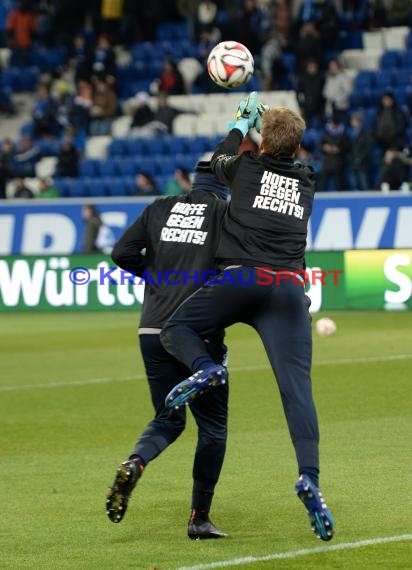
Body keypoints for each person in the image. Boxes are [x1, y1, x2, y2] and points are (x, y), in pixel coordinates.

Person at [160, 93, 335, 542]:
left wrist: (241, 125)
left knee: (177, 328)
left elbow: (220, 155)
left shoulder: (244, 168)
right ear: (298, 148)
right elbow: (282, 155)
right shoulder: (307, 180)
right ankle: (309, 477)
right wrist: (265, 133)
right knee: (298, 389)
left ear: (259, 145)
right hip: (288, 291)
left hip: (239, 280)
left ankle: (206, 369)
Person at [107, 161, 230, 539]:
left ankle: (135, 462)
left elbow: (121, 253)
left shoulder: (159, 207)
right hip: (197, 333)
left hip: (151, 328)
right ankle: (199, 518)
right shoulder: (224, 213)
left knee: (168, 419)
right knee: (212, 428)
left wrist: (158, 276)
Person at [348, 112, 373, 191]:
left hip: (363, 162)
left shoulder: (366, 133)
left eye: (354, 121)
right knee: (353, 182)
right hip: (352, 161)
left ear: (359, 122)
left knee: (363, 182)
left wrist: (360, 157)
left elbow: (368, 147)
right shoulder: (350, 133)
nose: (352, 123)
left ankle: (367, 200)